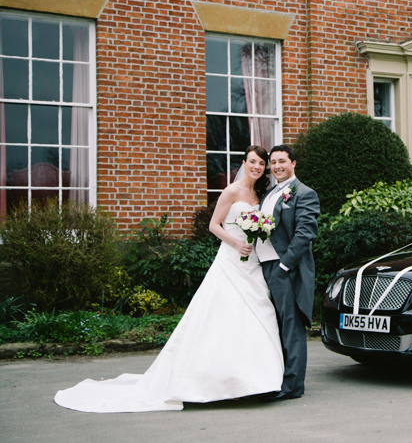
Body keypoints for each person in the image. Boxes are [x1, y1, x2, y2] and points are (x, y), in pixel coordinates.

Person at [54, 145, 284, 412]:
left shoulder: (260, 194)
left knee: (258, 314)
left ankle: (254, 381)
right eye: (252, 162)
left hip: (252, 262)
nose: (257, 167)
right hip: (231, 258)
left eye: (261, 163)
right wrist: (235, 243)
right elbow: (213, 225)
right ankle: (221, 383)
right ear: (244, 163)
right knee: (223, 314)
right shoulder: (232, 191)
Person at [256, 144, 320, 401]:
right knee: (274, 325)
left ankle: (293, 386)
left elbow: (305, 232)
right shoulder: (270, 193)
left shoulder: (304, 193)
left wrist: (284, 266)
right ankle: (276, 377)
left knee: (291, 326)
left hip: (285, 268)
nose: (276, 166)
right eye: (273, 162)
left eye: (282, 161)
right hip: (264, 265)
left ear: (293, 163)